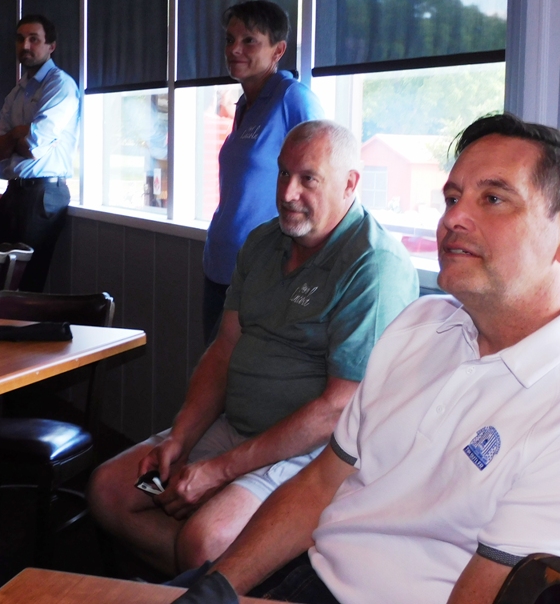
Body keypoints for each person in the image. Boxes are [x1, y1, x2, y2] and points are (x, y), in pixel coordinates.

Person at [174, 113, 560, 604]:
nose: (453, 219)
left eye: (493, 198)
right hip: (307, 572)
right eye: (452, 198)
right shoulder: (421, 327)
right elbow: (319, 484)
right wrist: (216, 592)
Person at [89, 120, 418, 577]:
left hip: (314, 453)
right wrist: (181, 438)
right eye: (283, 174)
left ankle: (213, 575)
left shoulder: (374, 266)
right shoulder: (264, 242)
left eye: (308, 179)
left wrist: (219, 472)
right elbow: (224, 350)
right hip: (234, 427)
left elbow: (337, 409)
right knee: (110, 491)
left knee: (204, 541)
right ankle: (214, 582)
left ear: (350, 184)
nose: (287, 193)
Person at [202, 1, 323, 345]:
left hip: (264, 271)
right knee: (213, 369)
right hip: (220, 264)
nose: (234, 49)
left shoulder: (292, 99)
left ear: (278, 50)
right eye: (230, 39)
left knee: (246, 373)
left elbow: (322, 181)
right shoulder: (243, 104)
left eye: (249, 41)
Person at [0, 14, 80, 292]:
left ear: (51, 46)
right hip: (14, 191)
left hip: (43, 194)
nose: (25, 45)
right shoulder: (17, 91)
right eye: (20, 39)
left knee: (26, 283)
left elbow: (33, 146)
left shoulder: (60, 85)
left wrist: (16, 137)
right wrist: (19, 133)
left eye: (34, 39)